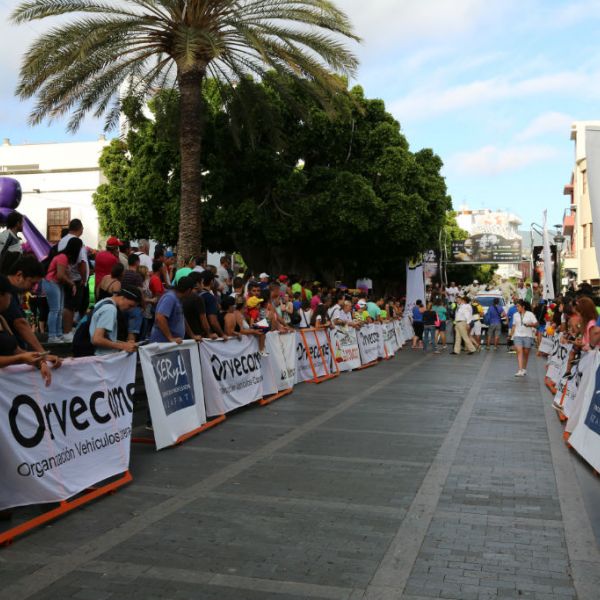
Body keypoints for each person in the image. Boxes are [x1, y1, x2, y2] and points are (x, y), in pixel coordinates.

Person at [0, 274, 54, 385]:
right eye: (9, 295)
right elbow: (20, 355)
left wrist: (41, 361)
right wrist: (20, 358)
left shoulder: (2, 319)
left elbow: (18, 351)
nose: (10, 299)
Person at [43, 237, 83, 343]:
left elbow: (62, 275)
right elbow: (60, 275)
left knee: (59, 310)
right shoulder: (63, 257)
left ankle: (59, 334)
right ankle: (52, 336)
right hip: (51, 282)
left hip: (56, 284)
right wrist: (72, 283)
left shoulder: (64, 257)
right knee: (55, 310)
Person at [57, 219, 88, 340]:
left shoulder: (62, 240)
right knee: (70, 306)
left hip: (66, 276)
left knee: (68, 305)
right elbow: (82, 263)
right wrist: (84, 279)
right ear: (80, 228)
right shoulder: (77, 241)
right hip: (75, 278)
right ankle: (67, 332)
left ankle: (67, 330)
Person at [89, 285, 140, 355]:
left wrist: (125, 343)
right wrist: (123, 346)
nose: (130, 309)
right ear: (123, 297)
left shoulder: (104, 301)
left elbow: (107, 337)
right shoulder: (110, 309)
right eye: (130, 305)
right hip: (101, 355)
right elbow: (97, 339)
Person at [149, 276, 198, 343]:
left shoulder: (179, 299)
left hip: (172, 344)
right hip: (163, 344)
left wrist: (192, 336)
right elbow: (160, 318)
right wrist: (170, 338)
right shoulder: (170, 298)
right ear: (188, 290)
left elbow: (182, 319)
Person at [182, 272, 214, 339]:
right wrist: (209, 334)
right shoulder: (197, 298)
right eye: (202, 283)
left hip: (183, 334)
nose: (203, 285)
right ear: (197, 284)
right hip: (197, 336)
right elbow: (203, 319)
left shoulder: (182, 297)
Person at [510, 300, 537, 376]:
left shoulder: (530, 314)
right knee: (519, 351)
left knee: (526, 353)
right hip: (517, 336)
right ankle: (520, 369)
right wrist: (510, 336)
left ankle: (524, 369)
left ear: (523, 307)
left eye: (518, 306)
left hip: (528, 336)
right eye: (516, 306)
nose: (517, 308)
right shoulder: (515, 315)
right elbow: (514, 326)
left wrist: (529, 325)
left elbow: (536, 324)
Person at [198, 270, 227, 337]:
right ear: (211, 281)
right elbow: (213, 321)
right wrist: (222, 334)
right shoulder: (209, 297)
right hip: (210, 336)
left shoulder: (197, 294)